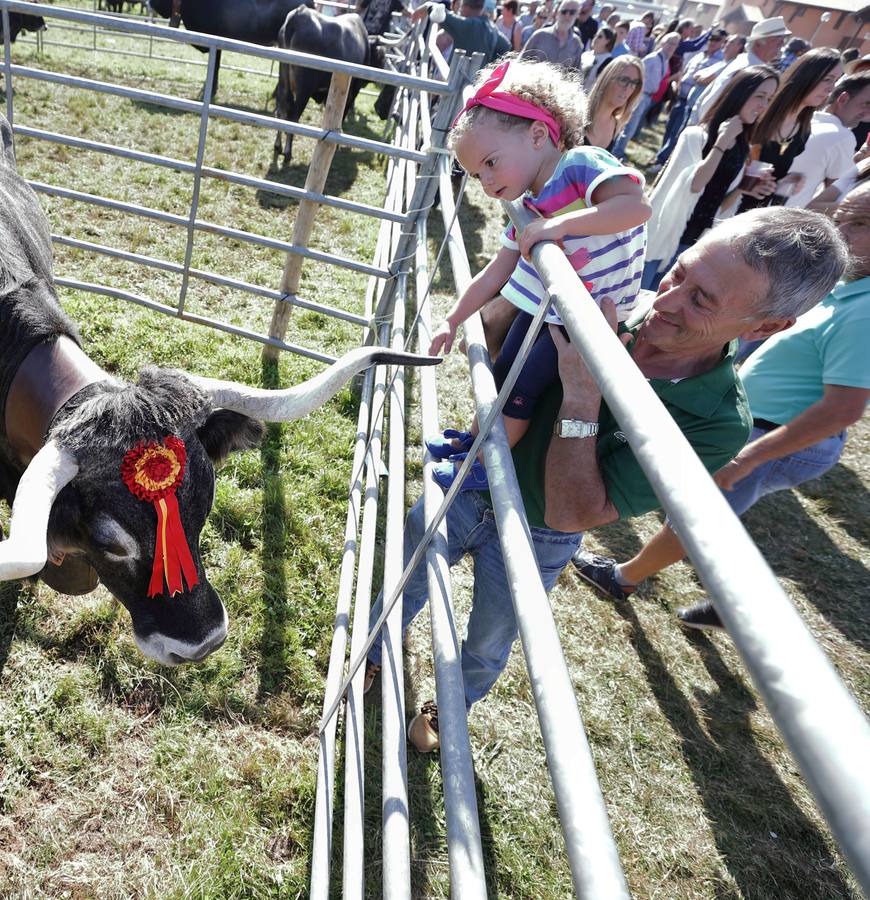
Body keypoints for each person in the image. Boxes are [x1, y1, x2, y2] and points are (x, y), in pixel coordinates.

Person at [371, 207, 848, 751]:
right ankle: (373, 652)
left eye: (701, 300)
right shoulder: (607, 299)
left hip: (539, 537)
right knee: (403, 578)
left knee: (489, 638)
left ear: (766, 327)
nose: (664, 301)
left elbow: (571, 514)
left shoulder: (716, 422)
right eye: (680, 272)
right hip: (470, 482)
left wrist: (582, 395)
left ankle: (449, 706)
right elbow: (505, 334)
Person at [572, 185, 870, 631]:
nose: (842, 230)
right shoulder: (841, 288)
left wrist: (750, 456)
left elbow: (843, 409)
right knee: (698, 509)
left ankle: (631, 579)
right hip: (764, 423)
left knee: (699, 516)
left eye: (861, 224)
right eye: (843, 215)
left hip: (775, 435)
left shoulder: (864, 314)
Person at [426, 59, 650, 488]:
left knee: (516, 396)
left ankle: (483, 466)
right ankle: (475, 443)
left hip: (579, 320)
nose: (486, 182)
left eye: (491, 163)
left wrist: (558, 226)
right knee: (502, 373)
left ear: (537, 134)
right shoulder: (528, 202)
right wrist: (453, 319)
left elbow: (635, 207)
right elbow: (497, 272)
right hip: (547, 309)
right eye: (476, 174)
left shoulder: (582, 163)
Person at [641, 66, 779, 289]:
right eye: (760, 96)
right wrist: (721, 143)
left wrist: (743, 189)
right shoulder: (697, 136)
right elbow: (694, 184)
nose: (763, 106)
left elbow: (719, 203)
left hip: (696, 243)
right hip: (664, 235)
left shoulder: (743, 146)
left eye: (769, 99)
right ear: (739, 94)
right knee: (638, 295)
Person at [738, 48, 843, 213]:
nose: (832, 88)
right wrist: (744, 185)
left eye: (836, 80)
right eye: (828, 79)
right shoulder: (759, 110)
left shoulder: (803, 129)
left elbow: (771, 178)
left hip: (753, 218)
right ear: (808, 75)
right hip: (720, 211)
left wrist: (786, 182)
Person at [785, 73, 870, 212]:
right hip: (783, 223)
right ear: (843, 99)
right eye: (866, 104)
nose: (868, 113)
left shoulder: (806, 121)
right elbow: (838, 197)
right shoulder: (842, 137)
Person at [654, 29, 731, 167]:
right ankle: (661, 156)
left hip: (693, 102)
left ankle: (663, 161)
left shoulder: (721, 60)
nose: (712, 42)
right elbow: (684, 71)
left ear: (722, 43)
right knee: (669, 128)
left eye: (716, 40)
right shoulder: (699, 55)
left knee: (678, 133)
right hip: (681, 97)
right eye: (710, 39)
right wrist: (677, 86)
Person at [691, 16, 789, 124]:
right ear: (758, 43)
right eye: (778, 41)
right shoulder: (749, 69)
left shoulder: (743, 62)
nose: (781, 46)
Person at [612, 31, 680, 156]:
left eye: (675, 44)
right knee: (629, 127)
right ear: (663, 43)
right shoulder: (653, 58)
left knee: (632, 127)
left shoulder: (664, 60)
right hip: (641, 95)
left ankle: (618, 151)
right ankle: (617, 152)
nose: (672, 46)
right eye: (670, 43)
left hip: (648, 97)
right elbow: (637, 74)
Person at [412, 0, 513, 64]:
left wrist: (427, 5)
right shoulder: (493, 30)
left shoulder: (466, 25)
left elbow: (439, 13)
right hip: (477, 91)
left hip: (457, 90)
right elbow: (507, 46)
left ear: (465, 7)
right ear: (482, 8)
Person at [583, 55, 643, 149]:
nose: (627, 89)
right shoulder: (578, 114)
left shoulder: (616, 125)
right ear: (607, 79)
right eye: (624, 80)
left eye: (634, 83)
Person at [521, 0, 583, 69]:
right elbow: (521, 61)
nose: (567, 16)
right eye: (564, 12)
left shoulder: (576, 43)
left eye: (572, 12)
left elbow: (577, 73)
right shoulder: (539, 35)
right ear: (557, 13)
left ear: (577, 15)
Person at [580, 25, 617, 91]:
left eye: (599, 36)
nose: (595, 38)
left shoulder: (608, 61)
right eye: (595, 36)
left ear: (608, 41)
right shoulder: (585, 54)